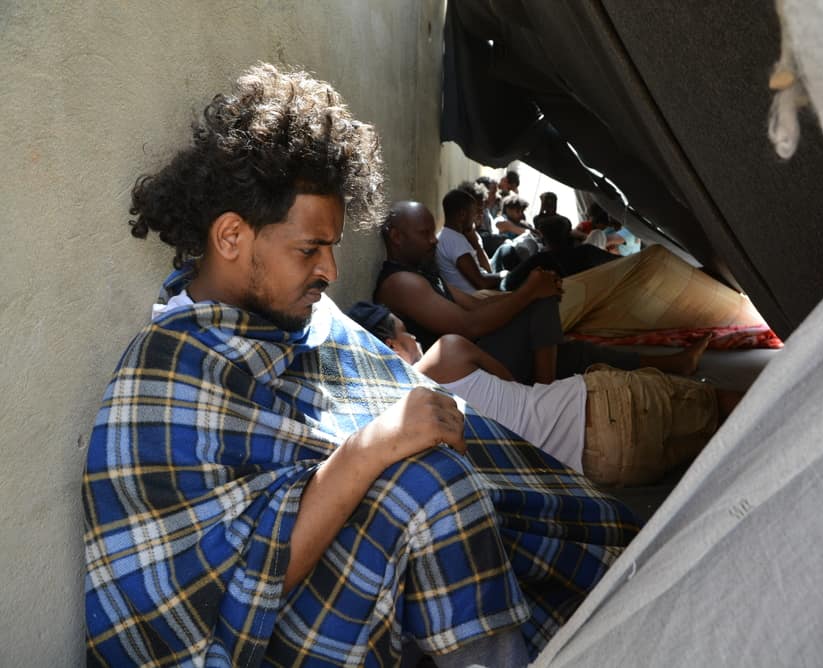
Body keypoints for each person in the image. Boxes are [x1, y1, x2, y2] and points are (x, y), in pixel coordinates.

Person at [82, 63, 639, 667]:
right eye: (309, 250)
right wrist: (372, 448)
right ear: (232, 237)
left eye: (333, 247)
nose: (331, 272)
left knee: (463, 479)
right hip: (268, 633)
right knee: (429, 489)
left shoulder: (313, 323)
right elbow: (228, 587)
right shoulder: (164, 372)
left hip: (365, 574)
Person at [348, 302, 731, 488]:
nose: (414, 337)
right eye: (405, 332)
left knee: (726, 458)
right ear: (391, 347)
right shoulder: (446, 352)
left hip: (606, 469)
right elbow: (511, 380)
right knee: (732, 407)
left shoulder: (397, 439)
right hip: (603, 406)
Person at [374, 201, 710, 384]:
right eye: (423, 233)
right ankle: (542, 396)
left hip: (480, 355)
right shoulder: (401, 283)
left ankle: (673, 364)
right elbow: (467, 327)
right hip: (464, 374)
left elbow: (472, 307)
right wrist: (530, 293)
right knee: (541, 301)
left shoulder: (423, 274)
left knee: (574, 351)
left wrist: (527, 290)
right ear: (396, 237)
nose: (433, 240)